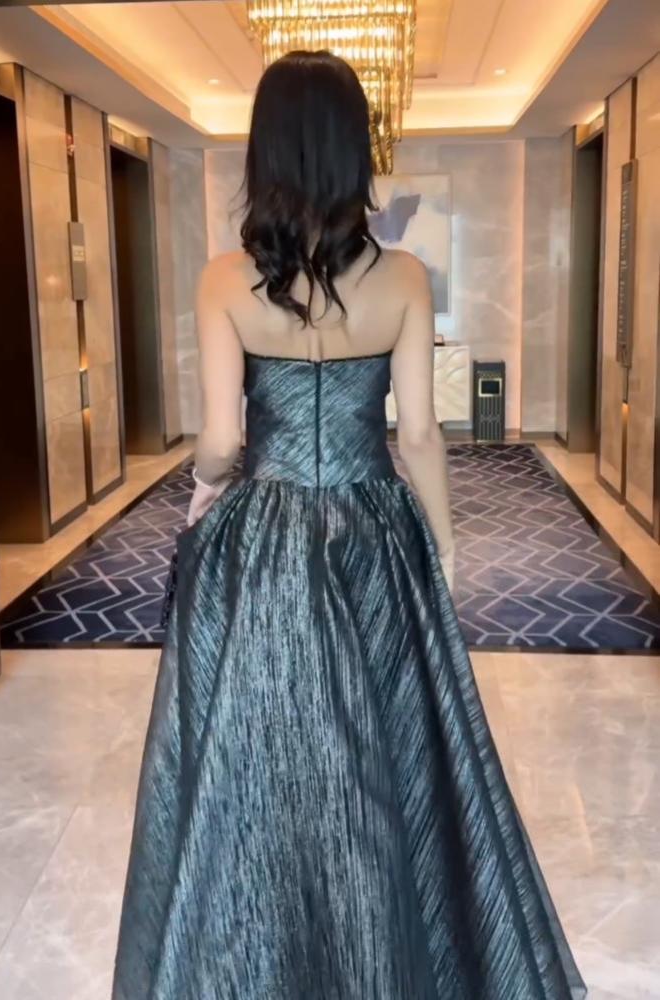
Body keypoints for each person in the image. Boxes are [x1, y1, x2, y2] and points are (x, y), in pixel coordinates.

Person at [112, 50, 586, 1000]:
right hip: (375, 530)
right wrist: (442, 545)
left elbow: (220, 440)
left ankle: (267, 947)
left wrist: (205, 494)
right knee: (394, 751)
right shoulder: (404, 278)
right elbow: (420, 436)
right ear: (354, 151)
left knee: (260, 752)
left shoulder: (223, 282)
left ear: (265, 152)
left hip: (267, 537)